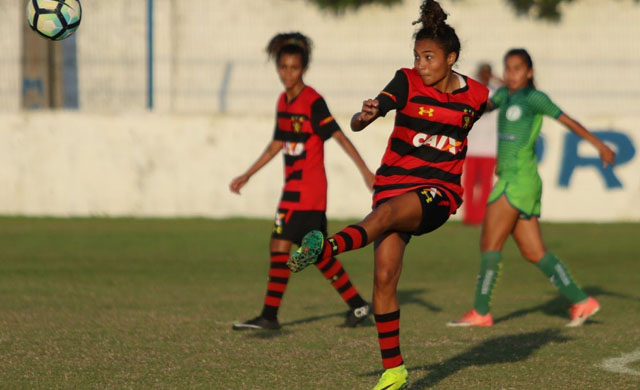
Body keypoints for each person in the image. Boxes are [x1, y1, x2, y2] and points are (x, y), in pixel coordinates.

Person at [285, 2, 489, 388]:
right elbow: (363, 119)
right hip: (394, 184)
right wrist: (367, 114)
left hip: (438, 193)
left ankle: (323, 250)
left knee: (384, 218)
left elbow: (494, 105)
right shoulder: (406, 81)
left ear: (451, 58)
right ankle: (394, 371)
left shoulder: (476, 96)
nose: (421, 64)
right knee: (384, 277)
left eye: (429, 57)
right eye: (417, 56)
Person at [447, 48, 616, 328]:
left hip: (518, 180)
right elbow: (482, 107)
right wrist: (457, 93)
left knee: (490, 242)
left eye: (517, 68)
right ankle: (582, 301)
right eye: (508, 68)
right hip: (514, 181)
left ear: (529, 72)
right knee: (534, 252)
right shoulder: (504, 95)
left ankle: (480, 311)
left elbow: (568, 120)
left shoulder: (535, 98)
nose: (511, 74)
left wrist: (599, 146)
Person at [230, 32, 376, 331]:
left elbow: (339, 136)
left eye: (293, 68)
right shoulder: (283, 102)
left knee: (297, 249)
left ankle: (272, 316)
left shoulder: (313, 101)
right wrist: (248, 174)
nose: (287, 73)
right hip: (291, 192)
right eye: (283, 67)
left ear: (303, 69)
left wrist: (365, 172)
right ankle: (357, 306)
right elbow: (276, 145)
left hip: (310, 192)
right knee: (308, 252)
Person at [462, 63, 502, 225]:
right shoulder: (473, 90)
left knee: (486, 186)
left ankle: (482, 216)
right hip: (472, 147)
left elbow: (512, 88)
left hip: (489, 148)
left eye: (487, 73)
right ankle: (469, 216)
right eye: (482, 73)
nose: (484, 76)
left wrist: (496, 79)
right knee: (469, 185)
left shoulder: (496, 92)